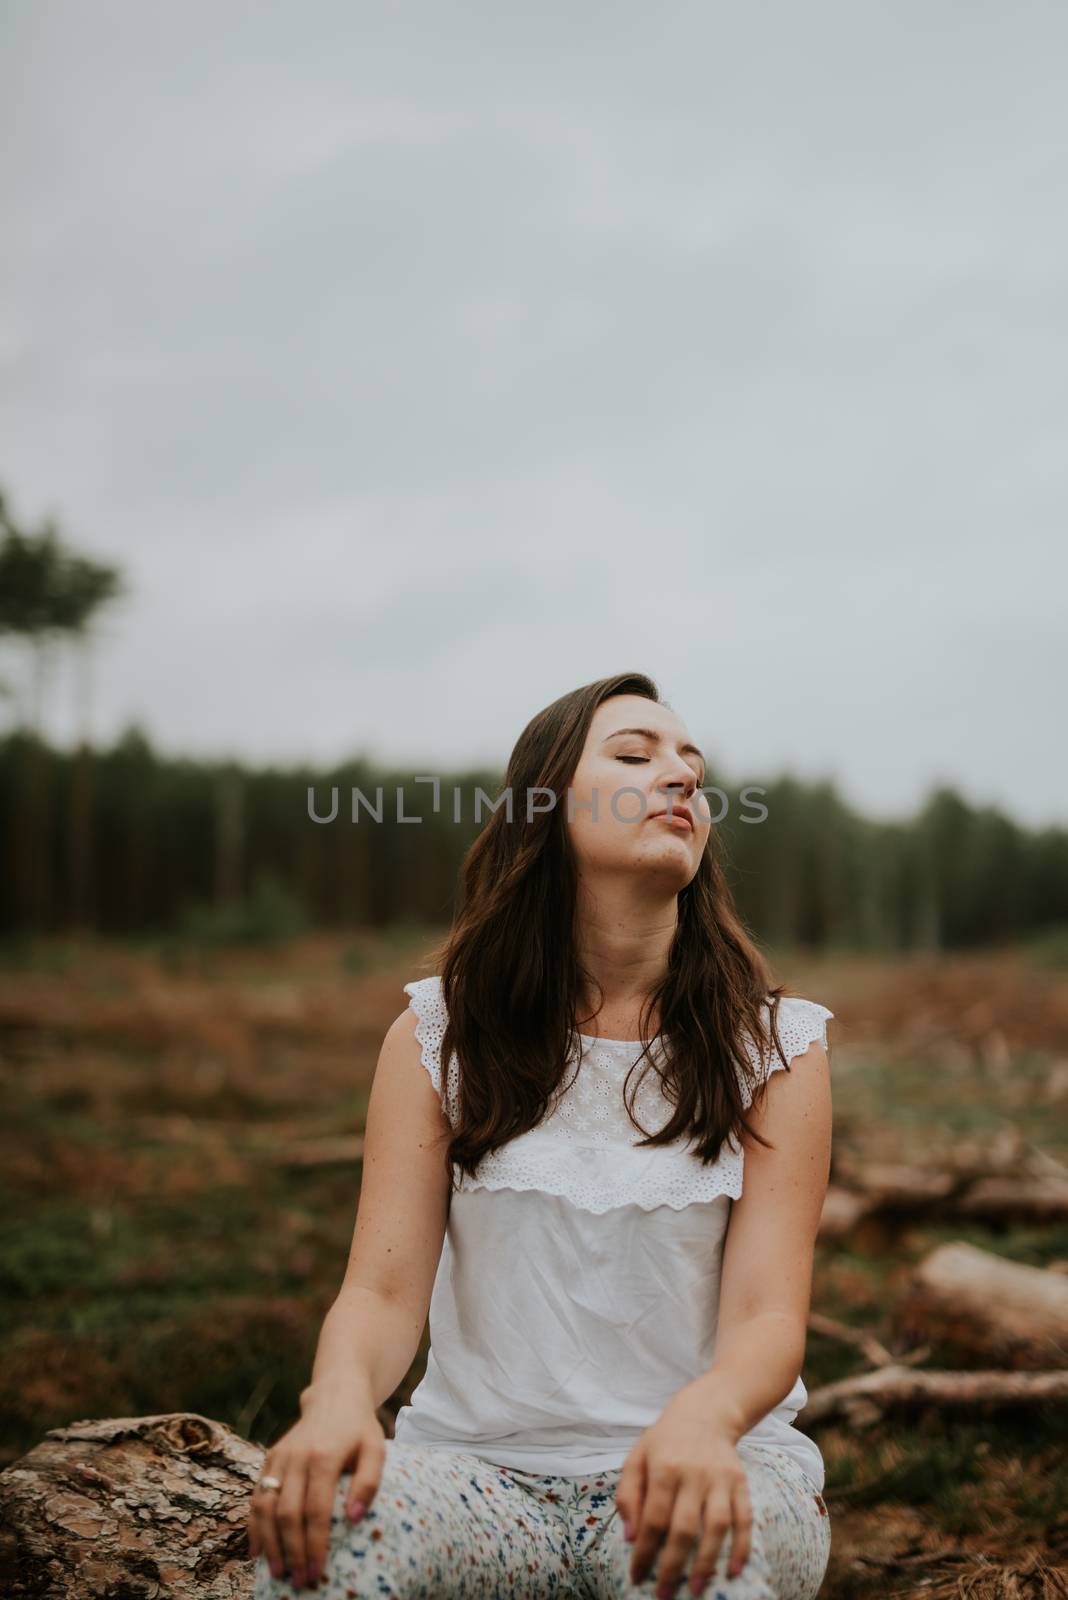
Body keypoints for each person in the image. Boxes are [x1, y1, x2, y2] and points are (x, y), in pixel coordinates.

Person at [248, 671, 834, 1599]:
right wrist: (338, 1402)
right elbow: (382, 1291)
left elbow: (767, 1316)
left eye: (694, 765)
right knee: (322, 1552)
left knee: (705, 1579)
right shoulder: (439, 1036)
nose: (681, 777)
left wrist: (704, 1421)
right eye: (636, 756)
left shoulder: (775, 1047)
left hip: (706, 1463)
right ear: (545, 805)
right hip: (477, 1478)